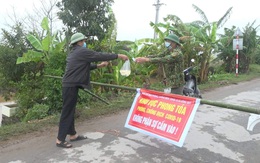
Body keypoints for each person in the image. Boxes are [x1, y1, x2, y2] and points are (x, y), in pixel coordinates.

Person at [56, 32, 129, 148]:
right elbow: (99, 55)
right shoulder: (82, 51)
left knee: (70, 110)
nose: (84, 43)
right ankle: (60, 139)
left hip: (70, 85)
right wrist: (119, 55)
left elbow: (84, 66)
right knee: (67, 111)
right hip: (70, 85)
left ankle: (73, 135)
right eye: (83, 41)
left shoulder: (74, 53)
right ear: (79, 42)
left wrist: (98, 66)